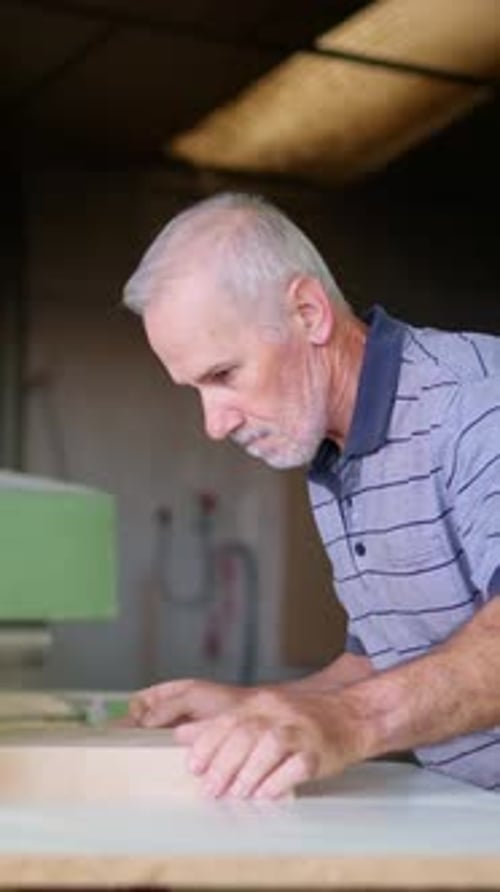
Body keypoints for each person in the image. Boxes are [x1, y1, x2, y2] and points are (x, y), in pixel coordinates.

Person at [123, 192, 500, 798]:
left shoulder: (477, 403)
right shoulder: (332, 455)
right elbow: (393, 659)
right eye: (194, 388)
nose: (214, 424)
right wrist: (257, 708)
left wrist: (350, 722)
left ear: (307, 311)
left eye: (223, 375)